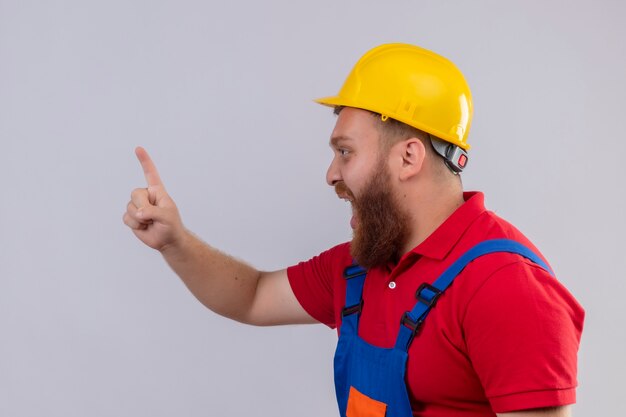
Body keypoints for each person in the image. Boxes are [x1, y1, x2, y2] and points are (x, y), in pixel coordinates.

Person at [123, 43, 584, 417]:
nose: (331, 174)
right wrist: (175, 241)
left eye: (345, 152)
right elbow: (253, 296)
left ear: (408, 157)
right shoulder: (362, 265)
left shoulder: (505, 288)